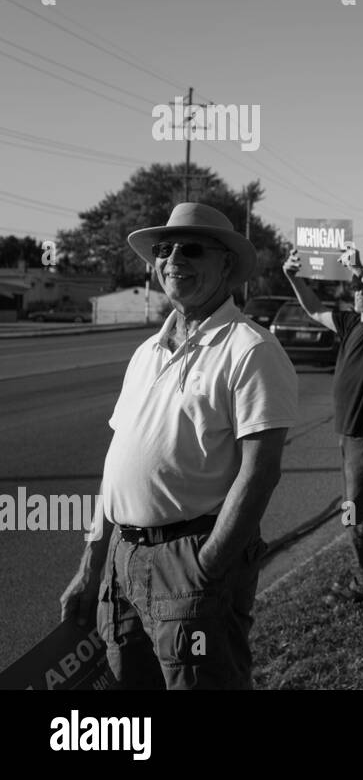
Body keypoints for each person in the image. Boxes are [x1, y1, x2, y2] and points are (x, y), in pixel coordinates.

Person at [59, 203, 298, 689]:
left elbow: (261, 471)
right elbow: (115, 466)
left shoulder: (250, 349)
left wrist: (207, 568)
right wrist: (91, 564)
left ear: (227, 264)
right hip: (122, 565)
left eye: (190, 249)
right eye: (163, 250)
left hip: (189, 563)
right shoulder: (146, 352)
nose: (172, 260)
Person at [284, 247, 363, 604]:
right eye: (354, 287)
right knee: (357, 507)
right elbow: (314, 309)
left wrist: (361, 268)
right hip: (351, 434)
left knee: (361, 510)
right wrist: (293, 277)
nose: (356, 292)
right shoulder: (351, 323)